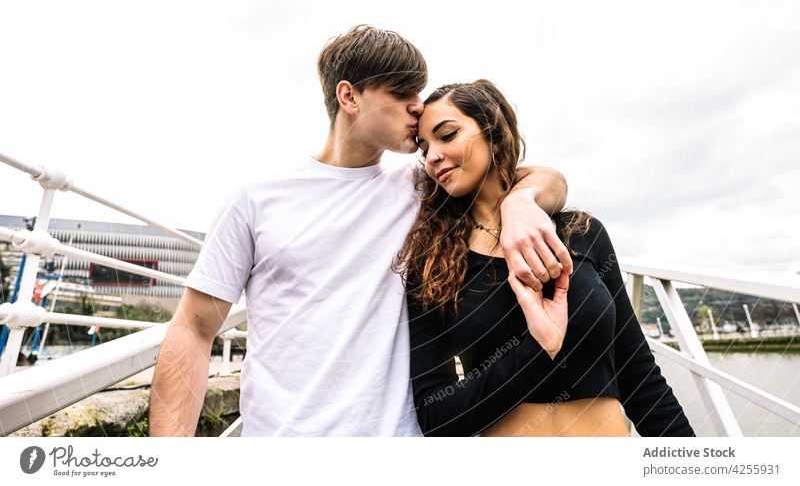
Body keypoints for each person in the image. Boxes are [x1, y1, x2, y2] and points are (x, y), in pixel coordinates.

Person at [149, 26, 571, 436]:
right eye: (402, 92)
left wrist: (520, 202)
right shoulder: (256, 200)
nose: (418, 106)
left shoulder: (422, 187)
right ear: (349, 96)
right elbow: (193, 329)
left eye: (418, 92)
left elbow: (541, 178)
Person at [397, 79, 695, 437]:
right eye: (424, 147)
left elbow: (638, 374)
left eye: (447, 135)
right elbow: (436, 418)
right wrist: (536, 351)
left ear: (492, 128)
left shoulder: (582, 233)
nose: (431, 157)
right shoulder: (432, 265)